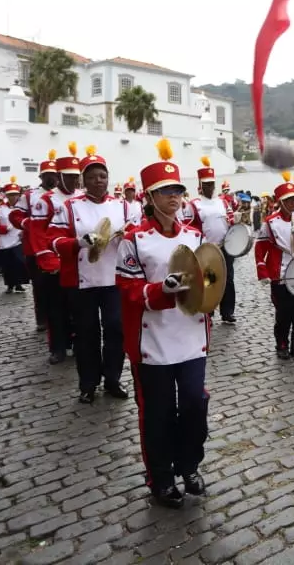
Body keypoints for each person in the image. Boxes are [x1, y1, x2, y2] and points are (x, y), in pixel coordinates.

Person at [116, 138, 211, 508]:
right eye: (165, 191)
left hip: (191, 337)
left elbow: (210, 279)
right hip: (152, 341)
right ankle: (160, 478)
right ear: (149, 197)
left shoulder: (195, 236)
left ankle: (190, 465)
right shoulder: (134, 240)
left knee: (194, 406)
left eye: (177, 190)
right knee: (157, 414)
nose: (174, 197)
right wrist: (161, 289)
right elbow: (127, 289)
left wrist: (210, 290)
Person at [47, 145, 132, 403]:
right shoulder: (70, 207)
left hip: (114, 278)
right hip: (82, 280)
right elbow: (54, 240)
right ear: (83, 180)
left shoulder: (123, 206)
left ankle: (113, 379)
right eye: (92, 176)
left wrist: (128, 235)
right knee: (86, 333)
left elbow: (137, 234)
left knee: (116, 329)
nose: (98, 181)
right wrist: (79, 243)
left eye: (102, 176)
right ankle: (88, 383)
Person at [37, 143, 84, 365]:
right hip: (55, 263)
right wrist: (50, 261)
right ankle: (57, 347)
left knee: (77, 309)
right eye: (69, 176)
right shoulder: (47, 200)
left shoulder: (82, 197)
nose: (74, 181)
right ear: (59, 176)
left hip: (77, 263)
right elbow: (39, 233)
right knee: (55, 308)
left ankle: (76, 343)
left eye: (76, 176)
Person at [256, 172, 294, 359]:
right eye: (289, 200)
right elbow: (260, 247)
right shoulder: (270, 223)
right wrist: (262, 271)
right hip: (280, 275)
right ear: (281, 202)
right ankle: (281, 345)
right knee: (284, 313)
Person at [10, 152, 59, 332]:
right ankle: (42, 319)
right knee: (39, 285)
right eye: (48, 175)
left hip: (57, 246)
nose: (51, 178)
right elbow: (15, 215)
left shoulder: (62, 195)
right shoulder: (30, 195)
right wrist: (27, 224)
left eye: (54, 174)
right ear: (41, 177)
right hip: (34, 248)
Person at [189, 157, 236, 325]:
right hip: (207, 249)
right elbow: (191, 227)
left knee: (228, 280)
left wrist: (234, 222)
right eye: (206, 184)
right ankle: (208, 312)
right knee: (208, 281)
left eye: (211, 184)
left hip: (224, 247)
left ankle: (227, 312)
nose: (210, 187)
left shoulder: (222, 202)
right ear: (200, 185)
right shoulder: (194, 204)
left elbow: (231, 219)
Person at [0, 178, 29, 294]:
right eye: (11, 195)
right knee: (7, 264)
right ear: (6, 195)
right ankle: (10, 285)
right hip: (4, 241)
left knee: (19, 262)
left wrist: (25, 231)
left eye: (15, 194)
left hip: (18, 240)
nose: (13, 197)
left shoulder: (23, 207)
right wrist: (2, 229)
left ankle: (19, 283)